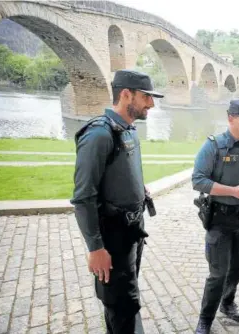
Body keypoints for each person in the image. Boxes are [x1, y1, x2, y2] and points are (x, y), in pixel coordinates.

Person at [71, 69, 164, 333]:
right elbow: (83, 197)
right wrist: (95, 248)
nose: (151, 103)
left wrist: (136, 188)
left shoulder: (128, 130)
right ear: (126, 95)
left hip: (132, 231)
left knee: (126, 298)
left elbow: (119, 173)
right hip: (112, 238)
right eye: (146, 97)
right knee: (121, 304)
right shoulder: (99, 135)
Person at [191, 99, 239, 334]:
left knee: (237, 268)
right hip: (219, 218)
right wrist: (234, 191)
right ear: (230, 118)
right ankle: (205, 318)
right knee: (218, 273)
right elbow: (198, 180)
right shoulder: (213, 146)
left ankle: (227, 302)